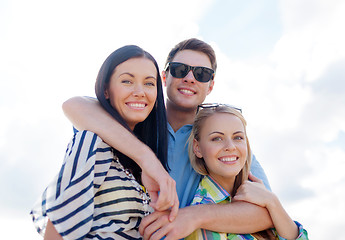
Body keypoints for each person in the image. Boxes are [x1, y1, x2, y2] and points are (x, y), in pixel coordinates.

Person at [62, 38, 273, 240]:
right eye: (180, 69)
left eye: (201, 73)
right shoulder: (133, 118)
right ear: (164, 77)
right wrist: (147, 159)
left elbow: (266, 214)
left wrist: (194, 216)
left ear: (210, 86)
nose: (190, 78)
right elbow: (75, 105)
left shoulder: (220, 142)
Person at [30, 45, 179, 239]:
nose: (140, 91)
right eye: (127, 81)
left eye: (149, 83)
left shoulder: (147, 156)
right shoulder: (92, 142)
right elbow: (58, 230)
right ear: (106, 90)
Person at [185, 103, 309, 240]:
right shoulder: (199, 216)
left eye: (237, 137)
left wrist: (272, 201)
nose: (230, 147)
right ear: (198, 148)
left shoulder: (260, 196)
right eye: (217, 138)